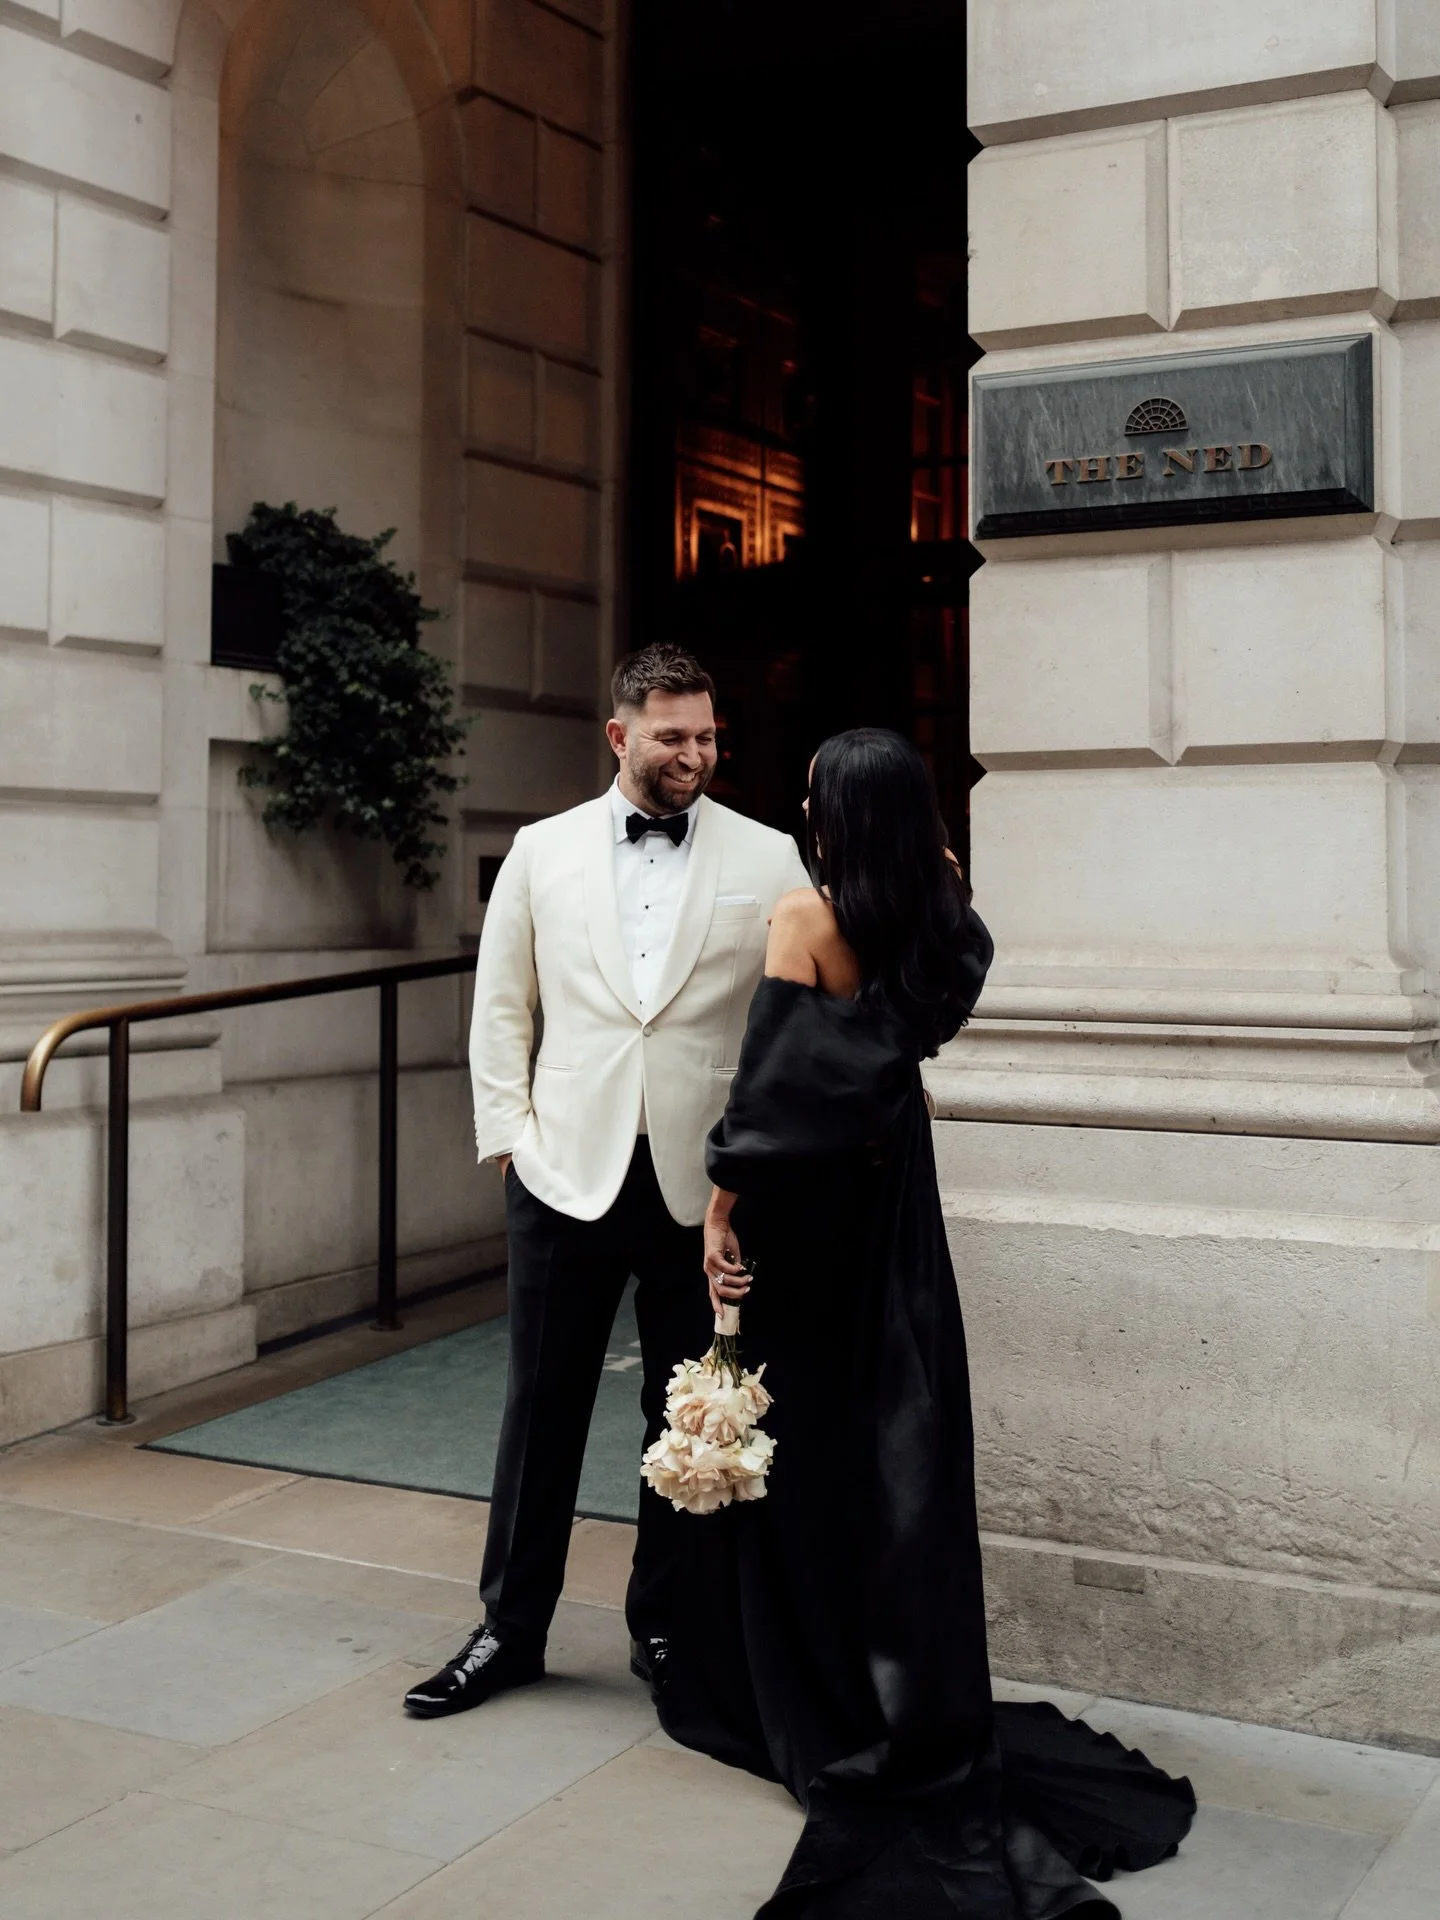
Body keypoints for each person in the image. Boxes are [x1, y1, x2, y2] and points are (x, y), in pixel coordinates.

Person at [657, 728, 1196, 1918]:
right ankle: (891, 1677)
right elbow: (924, 1016)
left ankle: (806, 1690)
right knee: (890, 1442)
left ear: (843, 813)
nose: (802, 809)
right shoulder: (938, 906)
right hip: (893, 1203)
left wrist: (718, 1208)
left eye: (812, 797)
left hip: (807, 1218)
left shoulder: (805, 919)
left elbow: (770, 1095)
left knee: (796, 1456)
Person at [404, 643, 810, 1718]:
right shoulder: (540, 852)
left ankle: (667, 1632)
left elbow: (799, 1016)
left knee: (679, 1425)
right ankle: (510, 1630)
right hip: (563, 1174)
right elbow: (502, 1005)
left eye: (709, 736)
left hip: (704, 1190)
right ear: (620, 735)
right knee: (540, 1412)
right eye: (673, 736)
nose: (696, 754)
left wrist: (762, 1156)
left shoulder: (771, 856)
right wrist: (509, 1137)